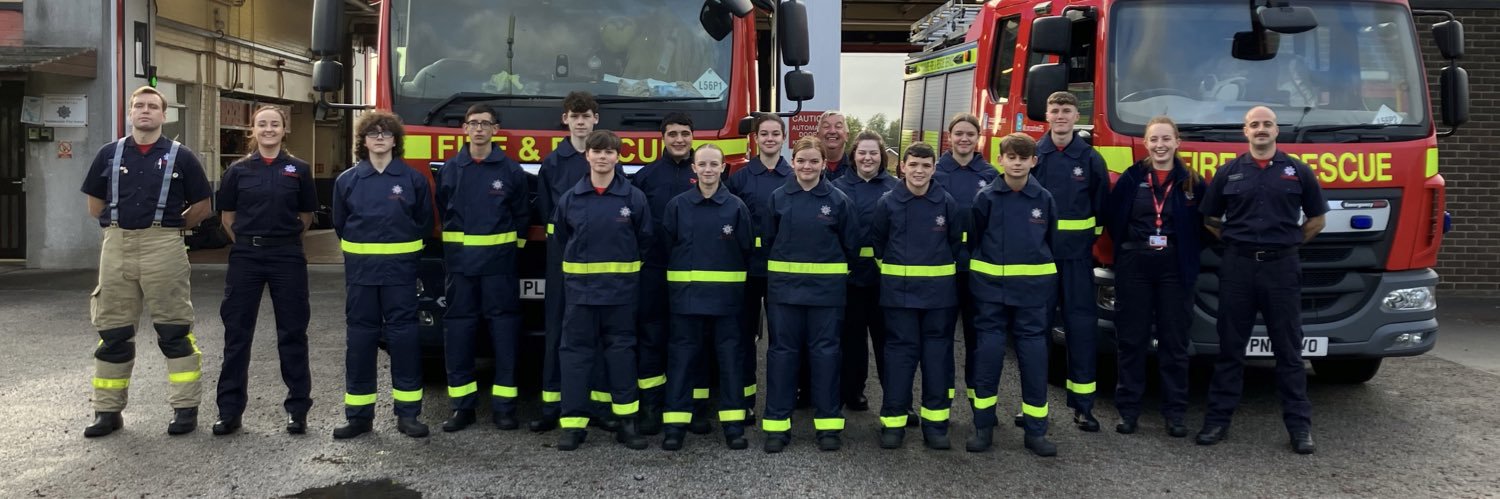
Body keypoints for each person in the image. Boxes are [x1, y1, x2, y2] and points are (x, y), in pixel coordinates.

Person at [80, 85, 213, 437]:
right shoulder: (109, 154)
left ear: (163, 115)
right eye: (139, 105)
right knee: (113, 332)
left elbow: (203, 206)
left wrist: (169, 228)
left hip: (163, 245)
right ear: (130, 113)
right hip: (117, 242)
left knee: (174, 329)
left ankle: (185, 409)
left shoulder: (181, 157)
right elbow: (95, 205)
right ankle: (107, 413)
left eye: (153, 106)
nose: (145, 111)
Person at [1198, 106, 1326, 455]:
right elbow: (1210, 219)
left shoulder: (1298, 171)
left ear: (1276, 130)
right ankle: (1217, 422)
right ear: (1245, 131)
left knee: (1288, 352)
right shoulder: (1228, 173)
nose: (1261, 130)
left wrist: (1288, 244)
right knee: (1230, 350)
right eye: (1254, 124)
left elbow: (1317, 219)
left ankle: (1300, 429)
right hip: (1238, 268)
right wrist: (1237, 245)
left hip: (1281, 269)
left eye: (1267, 124)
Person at [211, 105, 316, 436]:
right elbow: (227, 218)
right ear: (252, 131)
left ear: (285, 130)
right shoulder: (237, 171)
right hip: (246, 257)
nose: (269, 129)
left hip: (287, 256)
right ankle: (229, 411)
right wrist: (249, 242)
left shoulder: (299, 170)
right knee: (237, 334)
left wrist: (281, 242)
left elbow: (306, 216)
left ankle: (297, 409)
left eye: (275, 124)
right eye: (262, 124)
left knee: (293, 333)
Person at [331, 111, 434, 439]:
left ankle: (408, 415)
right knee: (360, 342)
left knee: (404, 341)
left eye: (386, 133)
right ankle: (359, 417)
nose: (379, 138)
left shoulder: (412, 180)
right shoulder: (347, 181)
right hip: (361, 277)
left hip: (400, 275)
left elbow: (424, 223)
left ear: (395, 140)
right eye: (373, 133)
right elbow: (339, 223)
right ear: (363, 141)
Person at [1102, 116, 1204, 437]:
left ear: (1177, 142)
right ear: (1146, 144)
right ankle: (1128, 411)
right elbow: (1113, 218)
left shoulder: (1193, 182)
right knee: (1131, 340)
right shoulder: (1132, 178)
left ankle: (1174, 413)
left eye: (1166, 139)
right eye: (1154, 140)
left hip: (1175, 266)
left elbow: (1206, 225)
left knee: (1174, 342)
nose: (1160, 145)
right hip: (1135, 265)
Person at [552, 130, 653, 451]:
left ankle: (627, 424)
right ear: (588, 156)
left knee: (622, 357)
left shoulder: (633, 198)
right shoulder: (571, 198)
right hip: (580, 296)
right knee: (575, 358)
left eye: (609, 152)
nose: (603, 157)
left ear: (618, 157)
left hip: (621, 296)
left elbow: (646, 241)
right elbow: (561, 239)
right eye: (597, 151)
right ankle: (573, 426)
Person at [434, 104, 530, 432]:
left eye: (485, 124)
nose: (478, 129)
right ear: (464, 129)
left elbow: (521, 217)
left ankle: (504, 408)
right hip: (460, 270)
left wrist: (509, 253)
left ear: (495, 129)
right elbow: (442, 210)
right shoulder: (450, 169)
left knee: (504, 335)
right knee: (459, 335)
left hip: (499, 269)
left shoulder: (511, 171)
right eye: (473, 123)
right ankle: (463, 408)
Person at [760, 136, 859, 453]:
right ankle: (777, 427)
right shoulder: (778, 198)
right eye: (801, 160)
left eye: (814, 161)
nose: (807, 166)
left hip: (826, 297)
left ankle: (829, 428)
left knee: (826, 358)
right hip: (785, 295)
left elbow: (851, 247)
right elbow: (768, 239)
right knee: (781, 358)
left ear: (822, 163)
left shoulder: (839, 201)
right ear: (794, 160)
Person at [533, 91, 625, 432]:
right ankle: (551, 406)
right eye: (575, 115)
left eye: (587, 115)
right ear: (566, 119)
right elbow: (547, 213)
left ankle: (597, 408)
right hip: (564, 258)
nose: (581, 120)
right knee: (558, 330)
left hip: (600, 261)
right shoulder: (553, 163)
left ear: (596, 119)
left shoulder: (609, 160)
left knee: (598, 334)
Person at [967, 132, 1059, 457]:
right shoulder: (986, 198)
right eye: (1012, 157)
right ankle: (983, 428)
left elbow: (1052, 241)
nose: (1017, 163)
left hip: (1032, 296)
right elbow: (975, 239)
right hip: (991, 294)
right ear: (1000, 159)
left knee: (1034, 360)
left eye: (1024, 157)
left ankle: (1036, 432)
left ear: (1034, 161)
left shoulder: (1044, 199)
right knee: (989, 356)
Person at [659, 144, 753, 451]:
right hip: (686, 302)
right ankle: (675, 426)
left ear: (724, 167)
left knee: (729, 364)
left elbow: (746, 250)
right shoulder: (677, 206)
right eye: (703, 164)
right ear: (694, 168)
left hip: (727, 304)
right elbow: (667, 246)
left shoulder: (736, 208)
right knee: (682, 363)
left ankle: (733, 427)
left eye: (714, 164)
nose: (709, 169)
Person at [869, 142, 963, 450]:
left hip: (939, 299)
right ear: (902, 167)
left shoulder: (946, 203)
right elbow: (879, 243)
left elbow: (955, 243)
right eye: (914, 165)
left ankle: (935, 426)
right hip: (899, 298)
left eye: (926, 165)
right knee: (899, 358)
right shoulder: (888, 202)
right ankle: (893, 423)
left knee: (937, 359)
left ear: (934, 168)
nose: (919, 171)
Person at [1029, 91, 1110, 432]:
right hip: (1041, 261)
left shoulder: (1090, 159)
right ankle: (1033, 407)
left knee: (1081, 332)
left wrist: (1084, 247)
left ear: (1077, 116)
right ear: (1046, 115)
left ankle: (1083, 407)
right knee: (1035, 334)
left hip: (1077, 260)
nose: (1060, 115)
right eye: (1055, 109)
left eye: (1067, 110)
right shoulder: (1035, 156)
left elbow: (1102, 212)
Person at [629, 112, 705, 436]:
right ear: (663, 138)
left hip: (694, 271)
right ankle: (651, 407)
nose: (679, 139)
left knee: (691, 340)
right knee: (652, 338)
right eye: (672, 133)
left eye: (684, 133)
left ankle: (693, 408)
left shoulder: (704, 173)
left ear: (692, 137)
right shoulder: (646, 177)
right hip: (656, 270)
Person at [724, 112, 791, 422]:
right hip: (747, 269)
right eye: (764, 133)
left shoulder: (795, 176)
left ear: (783, 138)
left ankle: (781, 403)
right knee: (744, 338)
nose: (769, 139)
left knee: (782, 341)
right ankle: (745, 400)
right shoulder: (739, 178)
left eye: (775, 134)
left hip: (781, 270)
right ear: (755, 138)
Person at [930, 113, 998, 405]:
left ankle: (978, 397)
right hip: (943, 266)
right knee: (942, 335)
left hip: (977, 269)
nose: (964, 139)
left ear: (978, 137)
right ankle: (942, 398)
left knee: (977, 336)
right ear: (949, 136)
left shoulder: (991, 175)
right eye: (959, 133)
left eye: (970, 133)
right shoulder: (934, 172)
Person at [830, 130, 899, 412]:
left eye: (873, 153)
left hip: (885, 280)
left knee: (889, 344)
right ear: (853, 156)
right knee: (852, 341)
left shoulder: (896, 187)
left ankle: (896, 401)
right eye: (862, 152)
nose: (867, 158)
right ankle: (853, 393)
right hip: (850, 279)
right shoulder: (837, 188)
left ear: (881, 156)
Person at [816, 110, 852, 181]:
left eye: (838, 126)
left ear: (847, 136)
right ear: (817, 136)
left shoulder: (856, 169)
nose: (832, 131)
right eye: (826, 126)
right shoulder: (807, 169)